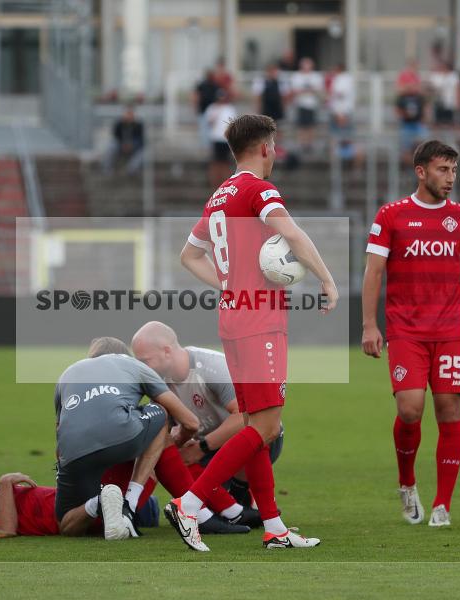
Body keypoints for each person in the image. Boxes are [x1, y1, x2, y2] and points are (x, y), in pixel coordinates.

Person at [166, 114, 338, 552]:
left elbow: (189, 255)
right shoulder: (258, 190)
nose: (275, 153)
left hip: (233, 317)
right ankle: (189, 504)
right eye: (274, 146)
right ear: (265, 148)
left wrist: (228, 284)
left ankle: (275, 527)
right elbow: (292, 234)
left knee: (258, 424)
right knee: (266, 425)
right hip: (260, 320)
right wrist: (327, 279)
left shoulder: (219, 196)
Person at [361, 140, 460, 529]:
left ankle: (442, 504)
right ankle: (407, 483)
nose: (450, 178)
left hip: (449, 331)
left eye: (453, 170)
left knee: (449, 410)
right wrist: (369, 324)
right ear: (421, 171)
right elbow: (374, 271)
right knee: (410, 409)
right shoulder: (392, 215)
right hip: (406, 331)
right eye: (442, 170)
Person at [131, 321, 282, 517]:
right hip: (208, 449)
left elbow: (245, 417)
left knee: (245, 439)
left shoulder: (212, 367)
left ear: (167, 351)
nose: (141, 368)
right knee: (164, 453)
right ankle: (132, 511)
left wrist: (201, 448)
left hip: (261, 438)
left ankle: (244, 493)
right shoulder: (158, 381)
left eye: (145, 360)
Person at [53, 337, 200, 539]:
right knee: (159, 411)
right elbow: (191, 422)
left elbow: (60, 430)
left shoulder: (67, 374)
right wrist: (172, 443)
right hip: (122, 439)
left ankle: (97, 503)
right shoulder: (133, 365)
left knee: (66, 524)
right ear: (123, 354)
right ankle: (129, 505)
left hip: (72, 454)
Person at [288, 57, 324, 153]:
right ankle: (302, 144)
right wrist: (307, 90)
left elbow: (318, 90)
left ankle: (310, 144)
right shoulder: (297, 76)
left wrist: (306, 91)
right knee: (302, 126)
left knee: (311, 126)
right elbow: (294, 91)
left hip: (312, 105)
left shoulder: (316, 76)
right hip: (301, 104)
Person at [204, 90, 237, 188]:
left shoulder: (230, 108)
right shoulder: (212, 108)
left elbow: (233, 124)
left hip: (226, 140)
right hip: (215, 138)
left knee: (225, 162)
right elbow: (209, 122)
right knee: (216, 162)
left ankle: (224, 183)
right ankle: (214, 183)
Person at [102, 104, 145, 175]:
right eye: (127, 113)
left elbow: (141, 140)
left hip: (134, 147)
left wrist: (132, 145)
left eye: (130, 113)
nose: (129, 115)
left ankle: (132, 169)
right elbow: (116, 137)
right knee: (111, 146)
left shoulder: (139, 126)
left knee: (144, 152)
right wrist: (123, 144)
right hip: (120, 146)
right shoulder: (119, 125)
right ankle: (107, 169)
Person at [396, 82, 428, 164]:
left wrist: (423, 120)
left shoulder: (420, 97)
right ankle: (411, 167)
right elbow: (398, 112)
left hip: (418, 124)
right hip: (407, 125)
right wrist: (405, 115)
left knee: (424, 145)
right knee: (405, 149)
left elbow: (426, 110)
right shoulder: (401, 98)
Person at [193, 68, 220, 148]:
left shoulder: (215, 85)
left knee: (211, 129)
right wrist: (195, 107)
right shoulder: (202, 85)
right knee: (204, 129)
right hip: (203, 110)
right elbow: (196, 96)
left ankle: (210, 146)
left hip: (213, 111)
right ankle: (205, 146)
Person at [429, 61, 460, 127]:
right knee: (439, 120)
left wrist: (459, 100)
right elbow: (431, 87)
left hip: (450, 101)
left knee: (449, 120)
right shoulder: (436, 76)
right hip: (438, 101)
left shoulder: (453, 76)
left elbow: (458, 88)